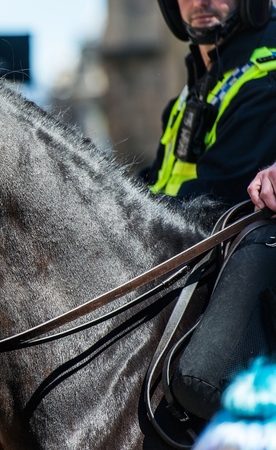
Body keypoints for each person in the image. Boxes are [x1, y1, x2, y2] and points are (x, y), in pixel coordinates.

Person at [143, 0, 276, 428]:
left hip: (237, 250)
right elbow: (157, 184)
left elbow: (217, 191)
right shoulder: (192, 89)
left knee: (198, 379)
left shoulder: (267, 70)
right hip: (182, 248)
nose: (200, 1)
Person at [143, 0, 276, 207]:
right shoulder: (202, 80)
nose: (199, 2)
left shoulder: (266, 79)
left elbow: (213, 199)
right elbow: (155, 180)